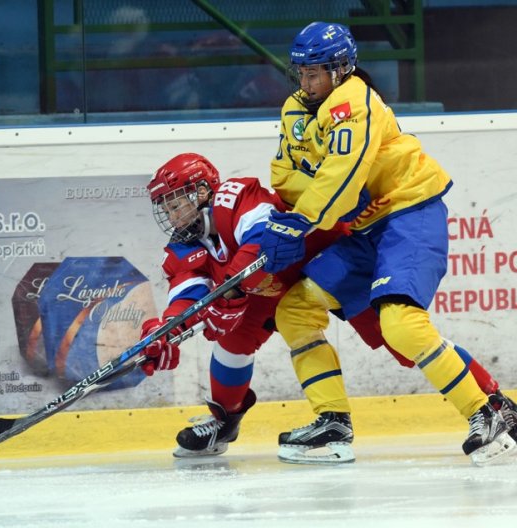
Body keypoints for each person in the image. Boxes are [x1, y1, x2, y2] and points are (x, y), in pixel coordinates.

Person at [139, 152, 516, 464]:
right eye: (167, 209)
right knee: (233, 343)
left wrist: (229, 287)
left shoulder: (234, 196)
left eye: (177, 203)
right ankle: (229, 422)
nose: (172, 216)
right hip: (266, 288)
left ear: (203, 190)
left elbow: (259, 237)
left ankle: (494, 400)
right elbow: (187, 291)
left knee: (402, 339)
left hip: (325, 260)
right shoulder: (183, 245)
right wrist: (166, 330)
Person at [259, 21, 517, 465]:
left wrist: (303, 218)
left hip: (410, 214)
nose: (307, 82)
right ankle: (332, 421)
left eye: (316, 72)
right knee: (296, 309)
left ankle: (486, 412)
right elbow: (282, 175)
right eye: (301, 73)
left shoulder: (353, 102)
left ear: (342, 70)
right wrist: (304, 209)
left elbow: (341, 175)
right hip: (364, 230)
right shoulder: (295, 109)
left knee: (400, 322)